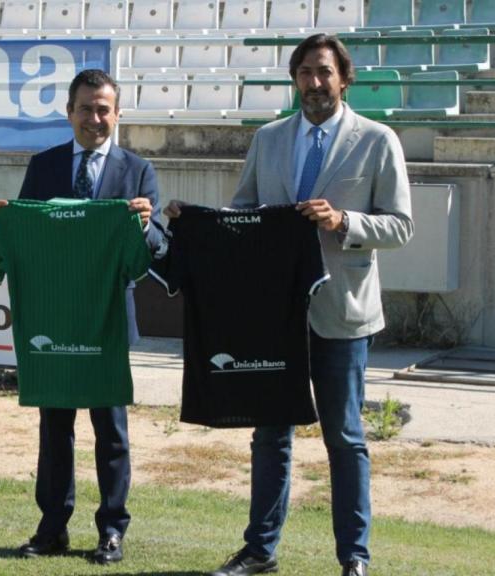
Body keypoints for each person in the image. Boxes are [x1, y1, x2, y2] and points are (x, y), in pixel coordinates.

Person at [166, 34, 413, 576]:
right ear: (294, 79)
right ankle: (260, 551)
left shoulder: (377, 140)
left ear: (344, 79)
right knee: (270, 435)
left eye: (324, 72)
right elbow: (244, 214)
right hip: (272, 317)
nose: (314, 82)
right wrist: (198, 222)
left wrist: (343, 221)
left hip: (342, 313)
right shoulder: (270, 139)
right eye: (304, 71)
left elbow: (400, 226)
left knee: (344, 437)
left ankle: (354, 557)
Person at [0, 68, 163, 565]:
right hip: (56, 318)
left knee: (110, 429)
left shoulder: (138, 171)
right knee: (55, 425)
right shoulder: (43, 165)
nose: (95, 118)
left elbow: (156, 251)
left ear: (117, 114)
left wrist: (147, 225)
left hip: (108, 319)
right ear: (69, 112)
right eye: (86, 108)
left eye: (104, 109)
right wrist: (9, 219)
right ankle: (53, 527)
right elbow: (30, 235)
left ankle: (112, 529)